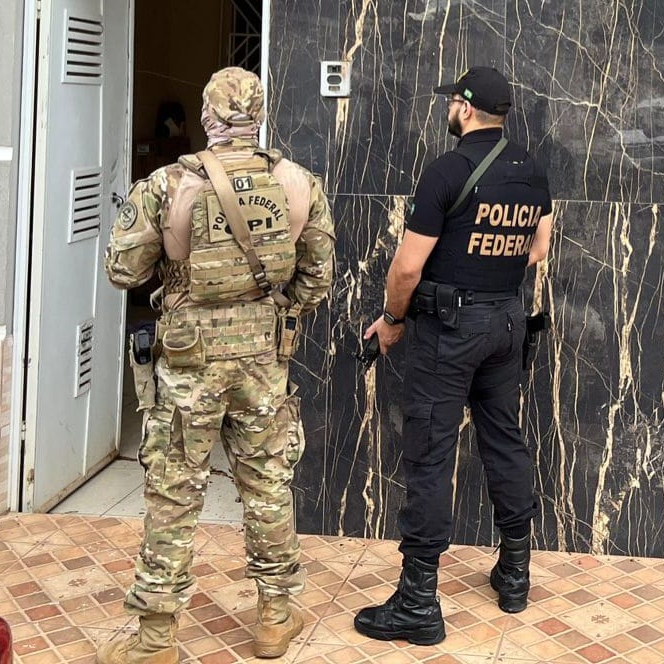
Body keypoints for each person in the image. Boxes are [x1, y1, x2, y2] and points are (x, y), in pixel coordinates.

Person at [100, 66, 336, 664]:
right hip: (263, 364)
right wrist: (268, 310)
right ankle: (275, 619)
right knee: (268, 486)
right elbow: (317, 281)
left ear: (207, 117)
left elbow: (123, 271)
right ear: (259, 117)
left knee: (173, 494)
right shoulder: (299, 184)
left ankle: (155, 640)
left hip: (188, 365)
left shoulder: (167, 184)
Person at [353, 66, 554, 645]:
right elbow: (538, 248)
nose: (447, 110)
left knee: (430, 452)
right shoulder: (532, 170)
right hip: (507, 323)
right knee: (504, 440)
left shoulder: (448, 170)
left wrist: (392, 321)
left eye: (451, 103)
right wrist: (492, 266)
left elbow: (406, 268)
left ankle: (418, 602)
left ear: (465, 109)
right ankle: (514, 575)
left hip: (450, 330)